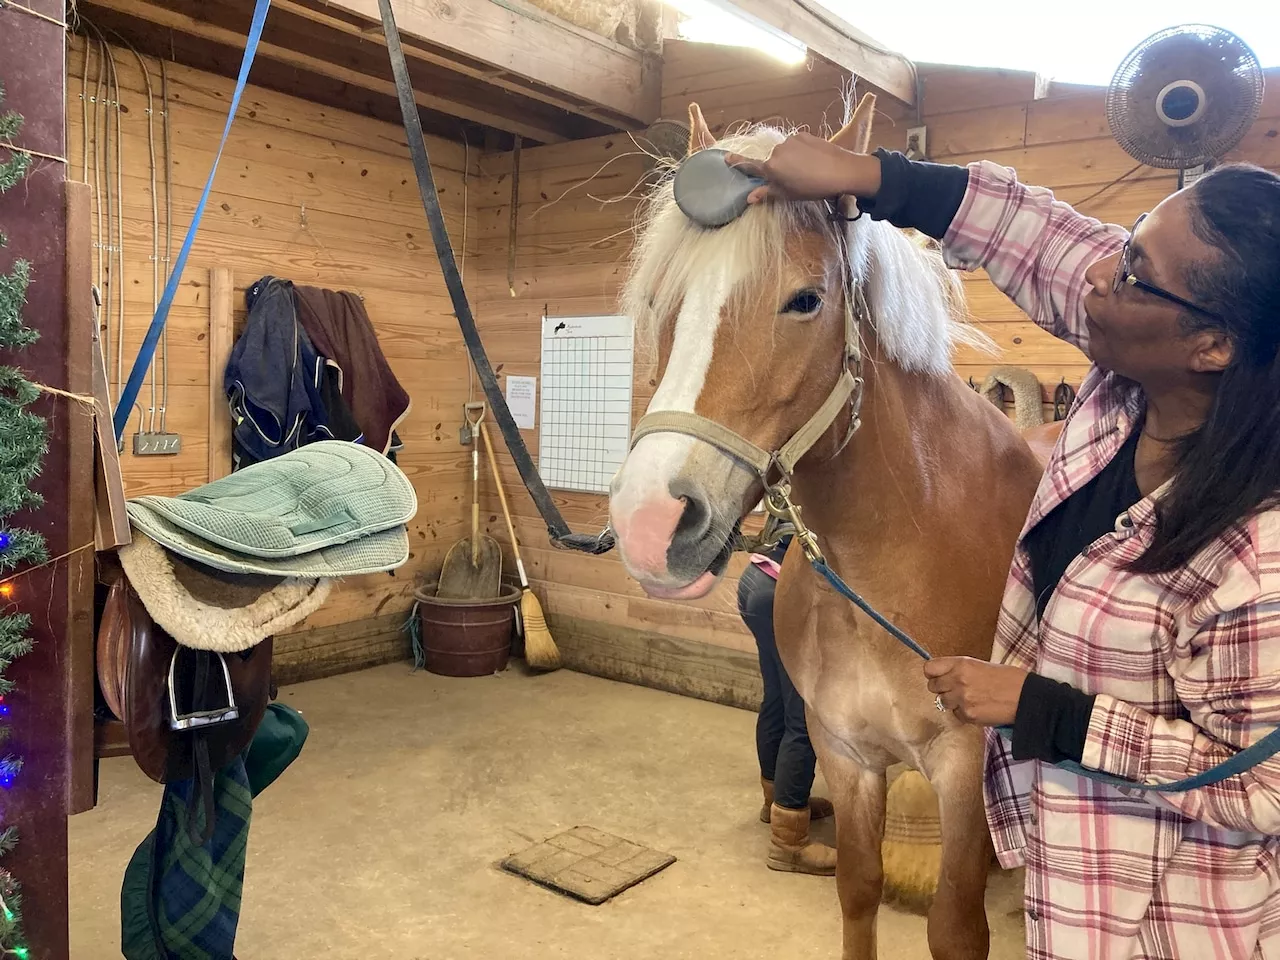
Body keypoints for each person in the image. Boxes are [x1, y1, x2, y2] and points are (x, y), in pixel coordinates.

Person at [728, 135, 1280, 956]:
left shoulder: (1256, 554)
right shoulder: (1128, 393)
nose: (1099, 273)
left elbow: (1263, 788)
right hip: (1066, 883)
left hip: (1174, 917)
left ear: (1214, 345)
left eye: (1132, 272)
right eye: (1124, 243)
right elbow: (1037, 233)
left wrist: (1040, 709)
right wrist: (875, 178)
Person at [737, 534, 836, 875]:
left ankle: (776, 801)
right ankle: (789, 844)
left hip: (756, 582)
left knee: (777, 700)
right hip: (785, 591)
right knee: (805, 716)